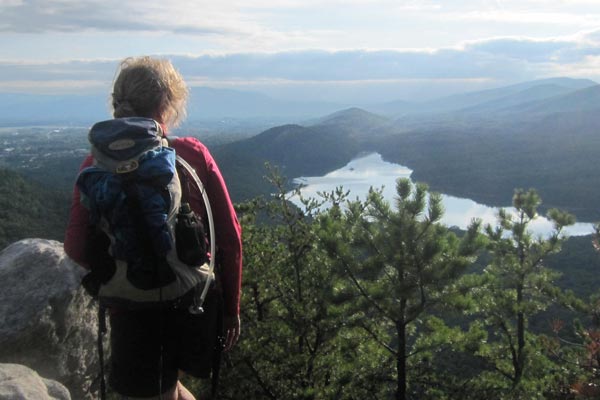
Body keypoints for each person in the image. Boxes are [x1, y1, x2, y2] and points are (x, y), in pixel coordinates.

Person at [64, 56, 243, 400]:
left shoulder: (95, 165)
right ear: (167, 106)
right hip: (192, 302)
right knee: (170, 384)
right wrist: (232, 310)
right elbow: (230, 239)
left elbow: (75, 247)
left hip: (130, 310)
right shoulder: (190, 154)